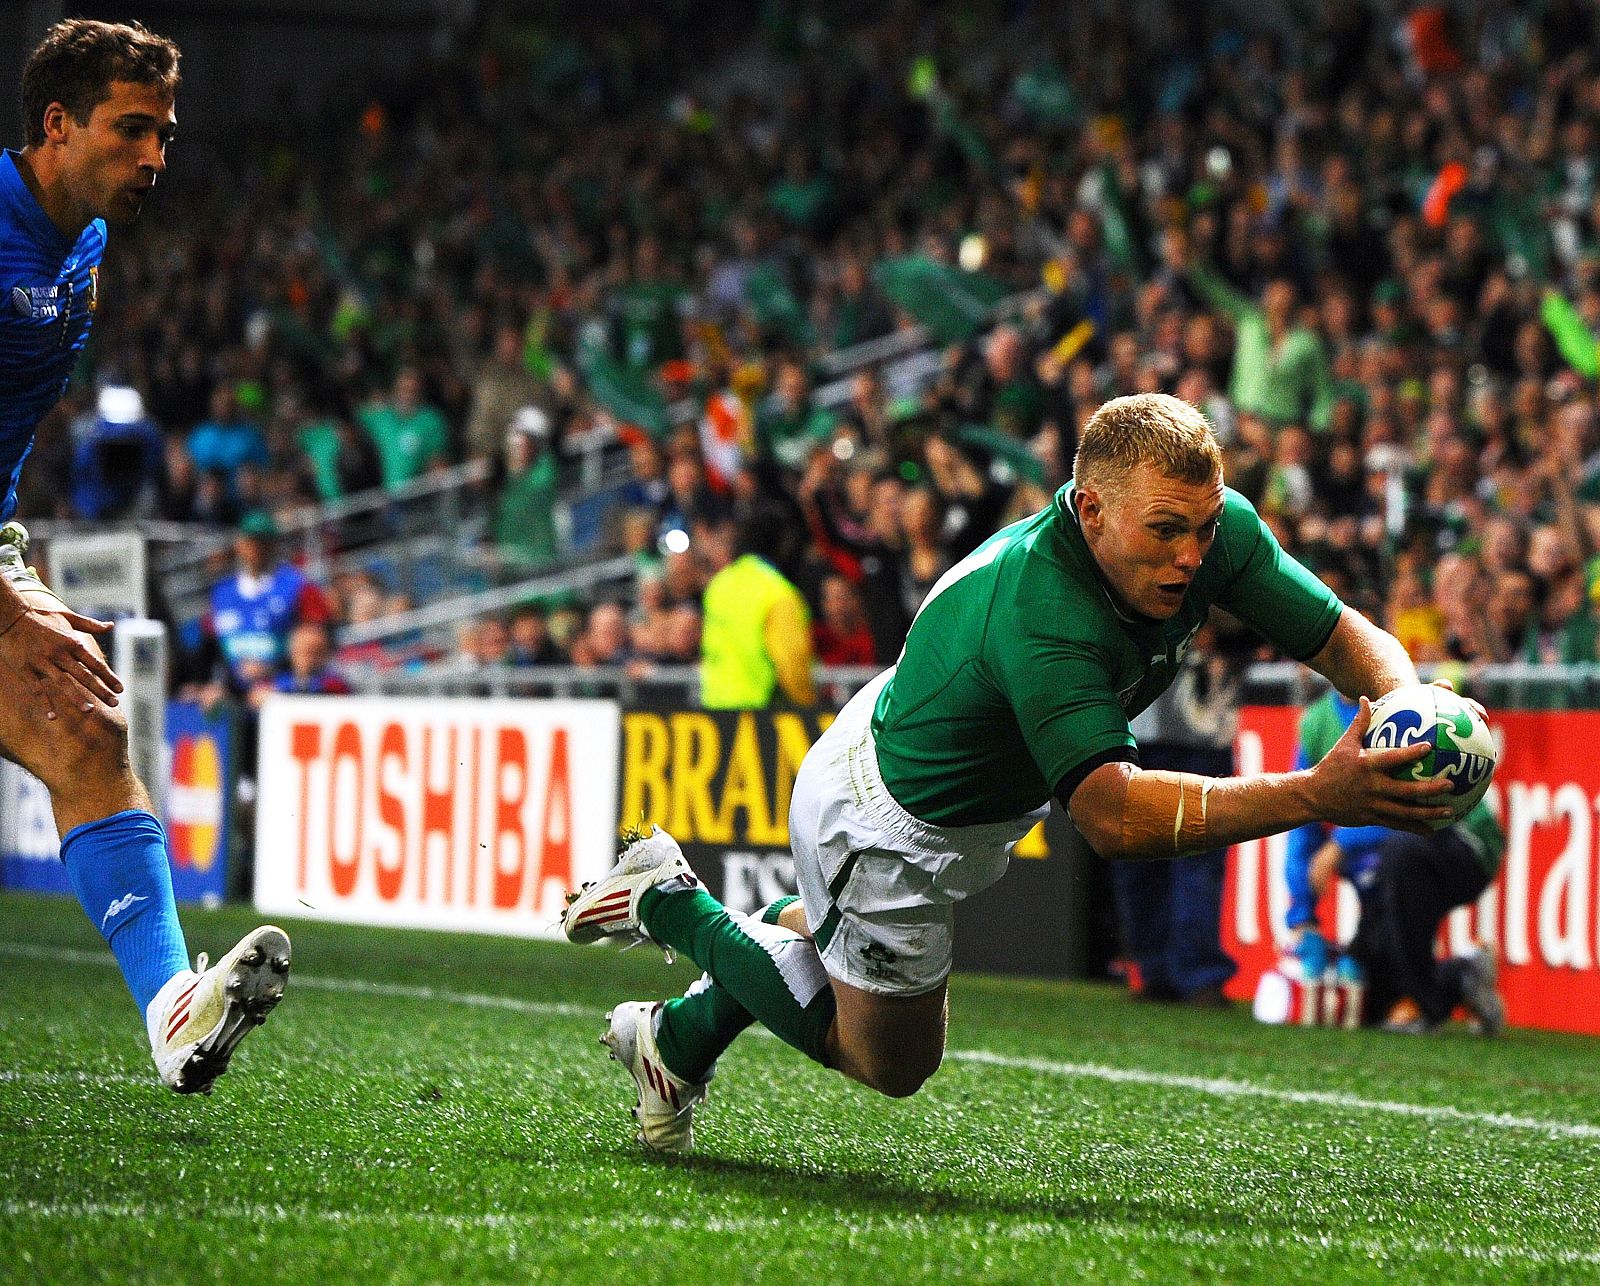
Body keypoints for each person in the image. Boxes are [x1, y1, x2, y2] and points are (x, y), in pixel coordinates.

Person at [565, 392, 1454, 1152]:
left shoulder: (1202, 532)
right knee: (889, 1061)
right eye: (1167, 530)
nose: (1193, 554)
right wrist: (1317, 795)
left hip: (947, 773)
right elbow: (1112, 817)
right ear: (1092, 510)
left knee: (831, 949)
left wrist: (1409, 703)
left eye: (1206, 525)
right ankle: (672, 899)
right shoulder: (1046, 608)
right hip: (882, 825)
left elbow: (1338, 634)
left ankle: (676, 1040)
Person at [0, 19, 289, 1094]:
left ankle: (174, 1006)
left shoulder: (84, 241)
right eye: (132, 131)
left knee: (88, 731)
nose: (156, 158)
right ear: (57, 125)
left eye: (165, 134)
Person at [1284, 689, 1506, 1035]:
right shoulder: (1317, 723)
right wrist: (1302, 914)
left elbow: (1423, 807)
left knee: (1400, 857)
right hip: (1386, 859)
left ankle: (1424, 1004)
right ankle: (1461, 976)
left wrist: (1341, 844)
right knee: (1367, 1000)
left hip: (1462, 840)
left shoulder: (1406, 709)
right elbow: (1299, 814)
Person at [1111, 623, 1241, 1006]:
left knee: (1196, 850)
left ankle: (1194, 974)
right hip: (1133, 725)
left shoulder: (1225, 569)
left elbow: (1257, 619)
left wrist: (1211, 623)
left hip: (1201, 727)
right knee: (1138, 855)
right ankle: (1160, 971)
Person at [699, 502, 816, 710]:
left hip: (714, 710)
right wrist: (808, 709)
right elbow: (791, 662)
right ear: (781, 542)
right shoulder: (779, 593)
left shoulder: (719, 584)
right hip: (760, 714)